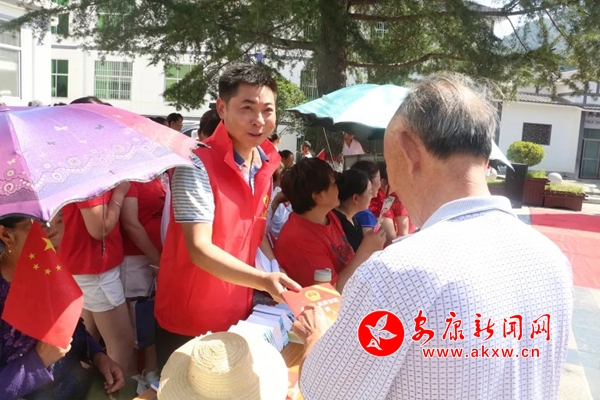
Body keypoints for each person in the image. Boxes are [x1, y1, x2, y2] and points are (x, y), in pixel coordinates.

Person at [293, 73, 572, 399]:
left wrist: (315, 336)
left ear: (409, 150)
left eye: (389, 163)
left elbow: (325, 391)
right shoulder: (553, 261)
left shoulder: (396, 275)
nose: (391, 185)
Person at [154, 64, 301, 372]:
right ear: (222, 108)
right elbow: (199, 248)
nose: (259, 120)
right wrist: (264, 280)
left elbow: (256, 234)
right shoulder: (195, 164)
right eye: (247, 108)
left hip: (240, 313)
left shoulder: (266, 164)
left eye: (267, 110)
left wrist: (275, 273)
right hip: (191, 318)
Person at [0, 217, 134, 400]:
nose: (55, 233)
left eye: (60, 220)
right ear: (6, 234)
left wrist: (97, 355)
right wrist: (39, 359)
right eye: (41, 227)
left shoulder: (46, 267)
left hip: (81, 387)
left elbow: (69, 326)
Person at [58, 183, 136, 377]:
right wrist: (119, 193)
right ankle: (114, 390)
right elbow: (99, 229)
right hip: (95, 270)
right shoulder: (90, 177)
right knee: (122, 343)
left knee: (88, 341)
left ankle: (82, 387)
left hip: (84, 266)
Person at [274, 158, 385, 291]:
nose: (338, 187)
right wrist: (365, 251)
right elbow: (332, 291)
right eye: (333, 183)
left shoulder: (329, 216)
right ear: (318, 195)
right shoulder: (301, 239)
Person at [120, 179, 166, 383]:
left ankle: (150, 370)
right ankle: (133, 378)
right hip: (136, 260)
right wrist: (155, 259)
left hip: (157, 258)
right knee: (136, 320)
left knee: (150, 316)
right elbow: (130, 224)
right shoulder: (130, 181)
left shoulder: (158, 179)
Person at [352, 161, 397, 245]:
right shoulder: (365, 212)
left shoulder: (358, 208)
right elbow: (391, 239)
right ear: (367, 182)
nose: (380, 184)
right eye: (379, 179)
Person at [332, 169, 372, 251]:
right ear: (355, 198)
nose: (372, 196)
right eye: (369, 192)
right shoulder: (339, 222)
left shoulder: (352, 218)